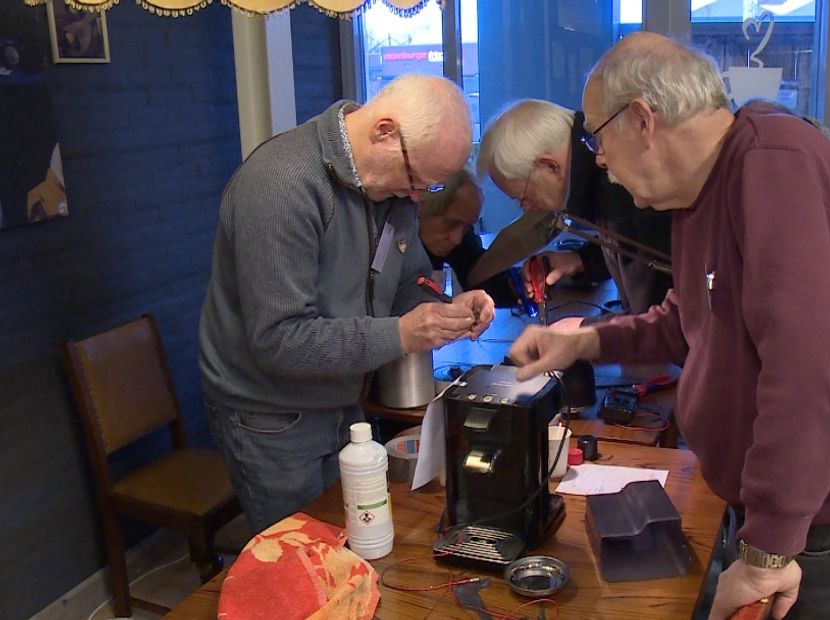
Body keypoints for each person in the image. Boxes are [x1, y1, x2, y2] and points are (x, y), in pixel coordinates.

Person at [507, 33, 830, 620]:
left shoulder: (773, 165)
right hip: (772, 512)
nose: (601, 161)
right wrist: (582, 342)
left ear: (642, 120)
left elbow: (810, 369)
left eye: (598, 140)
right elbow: (689, 318)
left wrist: (767, 552)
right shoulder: (700, 195)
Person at [198, 75, 495, 533]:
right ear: (384, 131)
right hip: (271, 416)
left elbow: (408, 285)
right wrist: (400, 334)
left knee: (352, 543)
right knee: (298, 561)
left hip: (343, 400)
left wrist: (447, 310)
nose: (417, 196)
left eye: (430, 188)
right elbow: (280, 340)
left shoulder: (392, 191)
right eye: (417, 179)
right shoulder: (282, 184)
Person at [477, 98, 673, 316]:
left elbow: (658, 320)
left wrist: (588, 332)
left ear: (550, 166)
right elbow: (634, 248)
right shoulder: (599, 180)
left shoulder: (622, 190)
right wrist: (580, 261)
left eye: (523, 197)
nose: (526, 209)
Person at [417, 167, 517, 307]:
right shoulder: (390, 239)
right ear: (421, 207)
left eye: (467, 228)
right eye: (451, 223)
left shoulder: (460, 237)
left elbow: (481, 275)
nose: (456, 239)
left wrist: (517, 284)